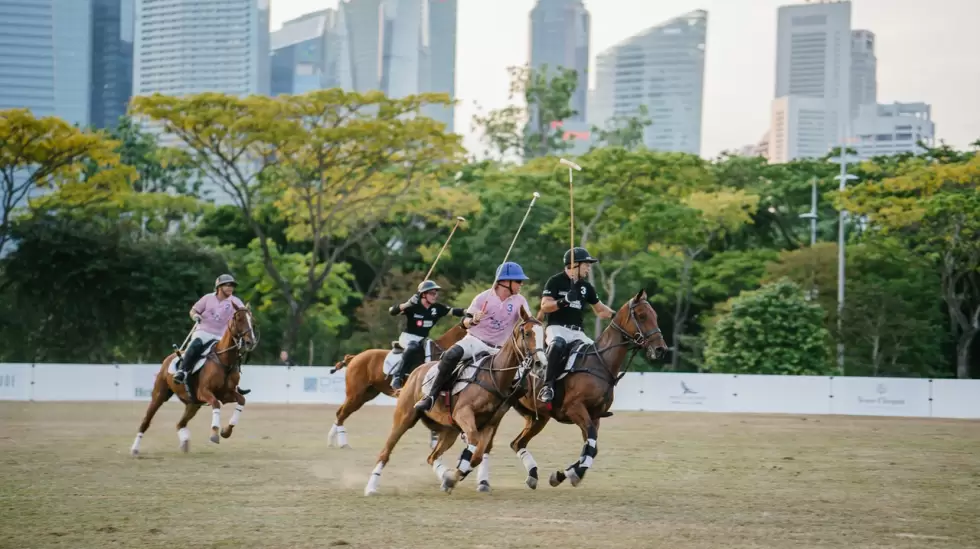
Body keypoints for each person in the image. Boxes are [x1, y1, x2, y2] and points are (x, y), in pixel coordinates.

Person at [414, 262, 531, 412]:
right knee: (451, 354)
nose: (521, 284)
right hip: (476, 341)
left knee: (523, 385)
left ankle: (500, 408)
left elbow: (528, 321)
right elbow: (464, 323)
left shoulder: (520, 301)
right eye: (518, 281)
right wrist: (473, 320)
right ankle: (431, 396)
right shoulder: (483, 298)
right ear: (504, 282)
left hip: (501, 349)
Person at [537, 247, 615, 403]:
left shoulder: (586, 287)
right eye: (586, 264)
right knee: (557, 345)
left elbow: (600, 310)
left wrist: (617, 316)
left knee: (598, 353)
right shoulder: (555, 281)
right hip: (557, 328)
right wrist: (564, 301)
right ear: (575, 265)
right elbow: (545, 306)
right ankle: (548, 386)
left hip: (578, 333)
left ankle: (601, 393)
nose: (588, 268)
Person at [174, 274, 249, 395]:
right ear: (219, 287)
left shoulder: (235, 301)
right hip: (204, 331)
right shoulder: (208, 298)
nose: (231, 288)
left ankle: (234, 384)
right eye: (228, 285)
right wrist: (195, 316)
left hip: (222, 335)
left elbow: (243, 313)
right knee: (195, 345)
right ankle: (182, 371)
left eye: (232, 286)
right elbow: (193, 310)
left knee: (234, 354)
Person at [387, 280, 466, 390]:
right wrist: (407, 304)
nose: (435, 296)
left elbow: (454, 311)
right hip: (408, 338)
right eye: (432, 293)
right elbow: (392, 311)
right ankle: (397, 376)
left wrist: (469, 312)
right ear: (423, 294)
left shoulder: (437, 308)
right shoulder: (413, 306)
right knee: (413, 346)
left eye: (436, 293)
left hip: (424, 339)